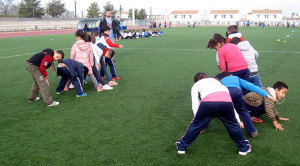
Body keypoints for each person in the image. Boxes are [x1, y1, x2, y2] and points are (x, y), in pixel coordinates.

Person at [176, 73, 251, 155]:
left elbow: (195, 104)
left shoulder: (196, 85)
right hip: (226, 104)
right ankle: (243, 148)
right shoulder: (218, 83)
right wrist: (238, 120)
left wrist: (196, 119)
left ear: (195, 81)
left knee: (195, 125)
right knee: (232, 125)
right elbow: (231, 104)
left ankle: (181, 147)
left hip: (208, 103)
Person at [216, 71, 277, 137]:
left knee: (223, 109)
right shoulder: (237, 78)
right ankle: (252, 131)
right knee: (243, 111)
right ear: (231, 75)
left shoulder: (219, 82)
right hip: (236, 92)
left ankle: (204, 127)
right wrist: (266, 95)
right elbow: (252, 86)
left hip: (224, 94)